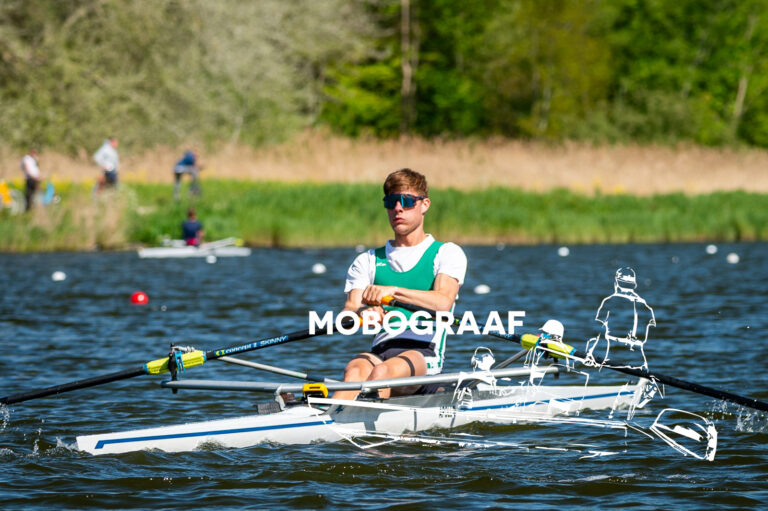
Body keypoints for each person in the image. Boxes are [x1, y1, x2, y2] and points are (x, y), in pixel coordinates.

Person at [334, 169, 467, 400]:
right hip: (380, 352)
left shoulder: (446, 253)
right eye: (391, 202)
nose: (398, 208)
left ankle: (360, 414)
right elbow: (348, 313)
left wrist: (393, 291)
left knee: (382, 373)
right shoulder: (367, 260)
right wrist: (363, 314)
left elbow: (443, 302)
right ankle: (329, 420)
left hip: (423, 355)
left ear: (425, 205)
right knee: (354, 371)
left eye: (407, 201)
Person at [586, 267, 655, 369]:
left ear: (616, 283)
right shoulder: (646, 307)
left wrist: (590, 353)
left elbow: (599, 333)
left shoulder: (608, 302)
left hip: (614, 361)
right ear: (634, 285)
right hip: (640, 363)